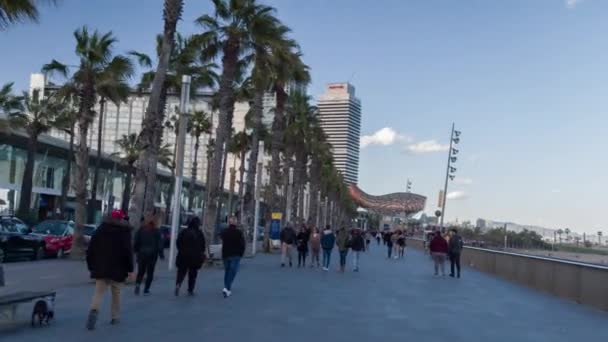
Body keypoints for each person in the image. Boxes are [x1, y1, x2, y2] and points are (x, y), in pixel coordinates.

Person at [85, 210, 133, 330]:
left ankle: (94, 310)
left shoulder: (100, 230)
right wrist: (130, 269)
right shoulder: (124, 232)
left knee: (98, 293)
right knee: (116, 294)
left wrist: (91, 265)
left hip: (101, 268)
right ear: (121, 219)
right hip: (118, 269)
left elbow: (90, 250)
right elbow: (128, 252)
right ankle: (115, 316)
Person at [175, 217, 206, 296]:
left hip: (183, 256)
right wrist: (201, 253)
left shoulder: (184, 232)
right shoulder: (199, 234)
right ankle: (190, 289)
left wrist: (181, 250)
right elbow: (203, 246)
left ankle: (178, 284)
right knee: (192, 274)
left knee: (181, 272)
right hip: (194, 257)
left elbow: (178, 242)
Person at [133, 215, 164, 295]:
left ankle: (137, 284)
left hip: (142, 254)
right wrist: (161, 254)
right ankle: (146, 289)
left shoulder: (141, 230)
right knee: (150, 272)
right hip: (152, 255)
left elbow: (136, 241)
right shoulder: (157, 231)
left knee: (141, 271)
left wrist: (135, 250)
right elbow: (159, 244)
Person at [221, 217, 246, 298]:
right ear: (235, 223)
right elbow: (242, 244)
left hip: (226, 254)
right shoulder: (239, 233)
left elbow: (221, 238)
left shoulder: (225, 232)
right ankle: (227, 287)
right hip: (235, 255)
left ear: (229, 223)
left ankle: (226, 287)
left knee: (227, 271)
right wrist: (241, 253)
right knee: (233, 271)